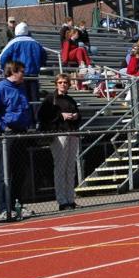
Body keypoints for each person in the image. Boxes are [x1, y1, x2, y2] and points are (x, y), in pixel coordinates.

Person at [0, 60, 33, 220]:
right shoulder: (1, 88)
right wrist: (3, 127)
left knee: (20, 171)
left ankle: (17, 205)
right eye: (22, 72)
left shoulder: (21, 88)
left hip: (21, 133)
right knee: (6, 171)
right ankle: (4, 208)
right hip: (7, 135)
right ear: (14, 72)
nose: (24, 75)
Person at [37, 73, 81, 210]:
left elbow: (79, 116)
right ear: (56, 83)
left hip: (72, 133)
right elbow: (42, 116)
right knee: (60, 168)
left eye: (66, 82)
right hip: (59, 134)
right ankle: (62, 200)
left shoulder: (70, 99)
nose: (63, 84)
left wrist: (76, 116)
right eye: (61, 82)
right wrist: (60, 115)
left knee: (70, 168)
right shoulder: (51, 99)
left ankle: (70, 198)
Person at [0, 22, 47, 116]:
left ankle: (23, 121)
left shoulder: (13, 42)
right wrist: (38, 65)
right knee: (34, 99)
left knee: (20, 98)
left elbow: (3, 57)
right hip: (34, 75)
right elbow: (44, 56)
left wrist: (7, 71)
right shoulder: (35, 43)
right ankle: (35, 121)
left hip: (17, 76)